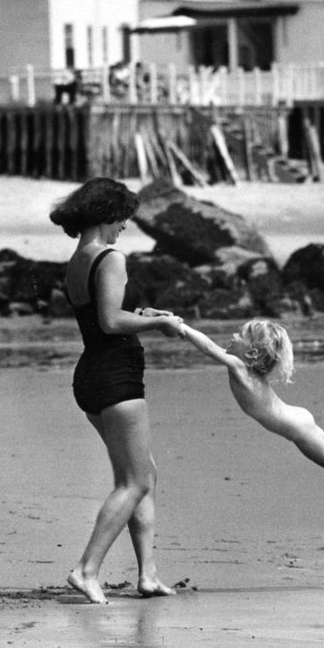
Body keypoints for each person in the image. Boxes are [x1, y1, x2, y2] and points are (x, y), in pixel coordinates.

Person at [50, 177, 183, 604]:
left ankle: (147, 575)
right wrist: (159, 323)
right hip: (116, 377)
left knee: (143, 476)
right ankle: (86, 570)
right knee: (134, 482)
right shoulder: (110, 257)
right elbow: (110, 322)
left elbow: (100, 316)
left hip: (90, 376)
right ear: (106, 214)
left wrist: (140, 314)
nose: (125, 225)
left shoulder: (77, 260)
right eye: (122, 217)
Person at [170, 319, 324, 468]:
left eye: (240, 335)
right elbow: (214, 348)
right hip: (297, 416)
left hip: (296, 427)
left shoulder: (240, 368)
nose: (233, 336)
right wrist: (176, 322)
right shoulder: (245, 369)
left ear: (251, 354)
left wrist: (183, 328)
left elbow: (208, 348)